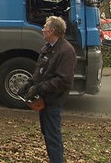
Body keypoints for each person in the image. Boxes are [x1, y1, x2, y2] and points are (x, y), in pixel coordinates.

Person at [18, 15, 76, 163]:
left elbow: (63, 81)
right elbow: (40, 71)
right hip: (44, 99)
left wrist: (39, 89)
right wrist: (29, 83)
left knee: (53, 137)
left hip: (53, 100)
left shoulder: (65, 51)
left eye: (45, 27)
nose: (42, 29)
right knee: (48, 134)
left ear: (52, 31)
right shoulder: (48, 48)